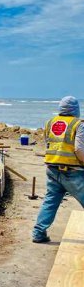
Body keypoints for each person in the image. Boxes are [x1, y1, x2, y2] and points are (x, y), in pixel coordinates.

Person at [32, 96, 84, 243]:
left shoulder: (50, 123)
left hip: (52, 169)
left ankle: (38, 233)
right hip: (73, 172)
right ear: (76, 109)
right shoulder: (78, 124)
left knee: (50, 201)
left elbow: (48, 143)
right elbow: (79, 149)